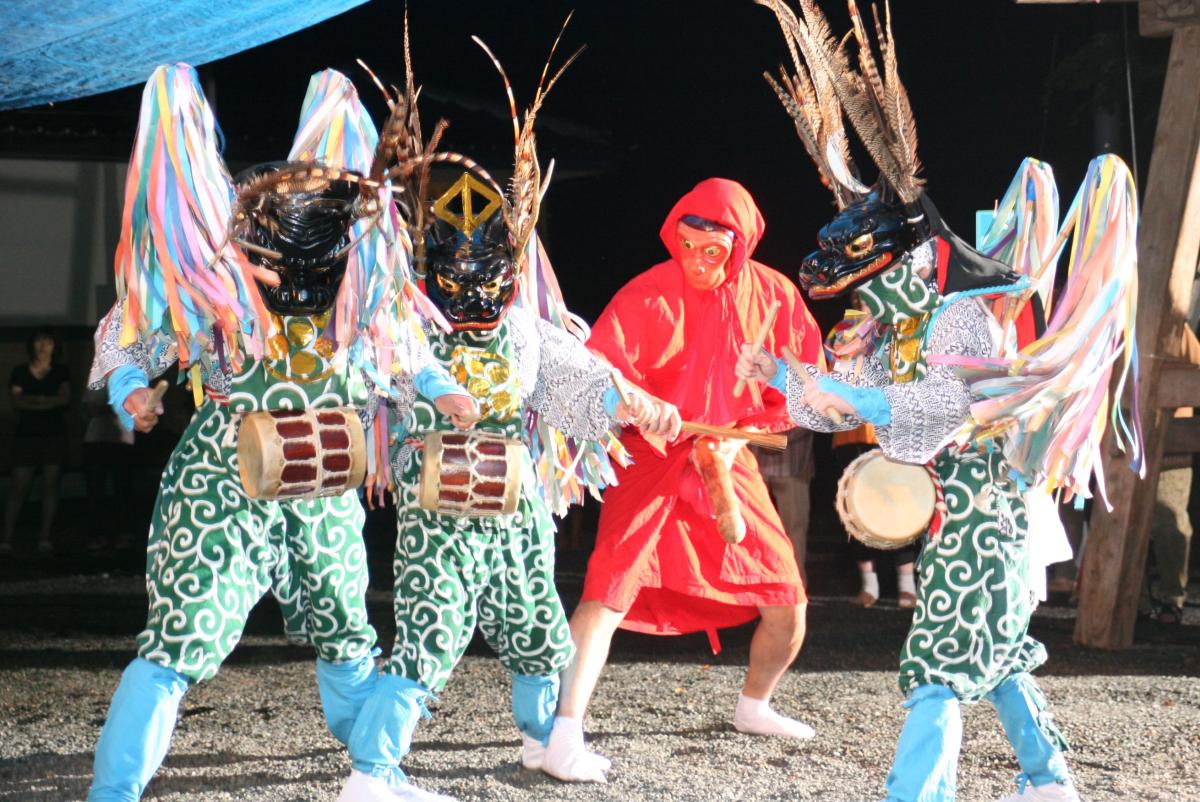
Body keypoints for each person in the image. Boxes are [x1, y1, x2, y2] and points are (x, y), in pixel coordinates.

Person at [747, 4, 1139, 800]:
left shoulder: (961, 319)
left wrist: (843, 390)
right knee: (991, 658)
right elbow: (842, 410)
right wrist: (790, 380)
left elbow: (936, 412)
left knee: (941, 663)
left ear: (905, 263)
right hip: (956, 520)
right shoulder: (888, 325)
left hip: (986, 522)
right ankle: (1050, 778)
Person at [85, 66, 474, 802]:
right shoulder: (227, 289)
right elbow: (138, 333)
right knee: (178, 640)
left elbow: (403, 350)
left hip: (323, 481)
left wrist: (442, 388)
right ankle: (113, 794)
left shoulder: (356, 290)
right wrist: (133, 392)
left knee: (346, 628)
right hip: (226, 477)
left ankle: (374, 777)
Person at [333, 34, 679, 801]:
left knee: (537, 631)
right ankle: (371, 774)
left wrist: (636, 402)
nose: (479, 305)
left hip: (517, 505)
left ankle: (545, 745)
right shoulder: (409, 323)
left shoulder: (522, 326)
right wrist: (432, 389)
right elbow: (384, 370)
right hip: (443, 508)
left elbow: (576, 372)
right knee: (427, 640)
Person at [541, 177, 823, 783]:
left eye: (711, 248)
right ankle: (564, 732)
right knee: (607, 589)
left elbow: (806, 382)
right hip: (651, 453)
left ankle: (755, 705)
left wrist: (762, 399)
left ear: (741, 245)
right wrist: (640, 402)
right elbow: (599, 374)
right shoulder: (647, 294)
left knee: (787, 598)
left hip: (726, 452)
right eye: (687, 243)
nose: (696, 257)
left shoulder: (773, 295)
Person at [3, 327, 70, 555]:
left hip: (53, 433)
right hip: (26, 434)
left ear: (55, 346)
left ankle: (44, 536)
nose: (43, 346)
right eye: (40, 341)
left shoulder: (61, 372)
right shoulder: (21, 371)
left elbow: (64, 399)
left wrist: (35, 401)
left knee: (50, 485)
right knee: (18, 486)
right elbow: (17, 401)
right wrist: (45, 401)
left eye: (48, 342)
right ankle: (7, 537)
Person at [752, 428, 814, 580]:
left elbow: (814, 413)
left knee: (794, 530)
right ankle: (758, 586)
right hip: (755, 465)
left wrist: (778, 439)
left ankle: (795, 587)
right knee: (754, 530)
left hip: (792, 464)